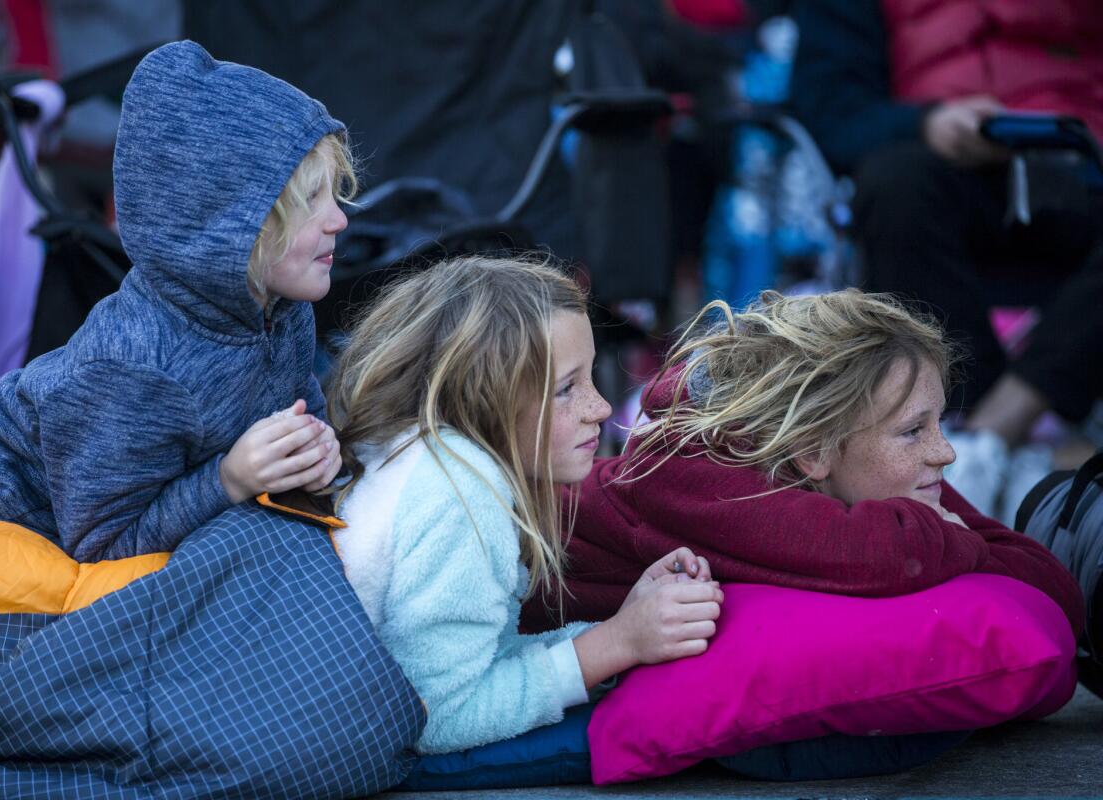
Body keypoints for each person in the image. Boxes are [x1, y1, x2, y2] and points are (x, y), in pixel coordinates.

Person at [0, 41, 347, 560]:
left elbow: (303, 413)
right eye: (309, 202)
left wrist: (317, 450)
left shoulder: (283, 309)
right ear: (224, 224)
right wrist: (227, 479)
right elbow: (102, 546)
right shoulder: (133, 372)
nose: (338, 219)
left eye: (335, 194)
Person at [326, 256, 725, 754]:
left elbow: (485, 660)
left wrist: (627, 626)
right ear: (484, 396)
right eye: (566, 389)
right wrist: (616, 644)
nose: (600, 407)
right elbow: (435, 715)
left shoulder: (428, 459)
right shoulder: (460, 491)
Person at [520, 290, 1084, 641]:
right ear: (812, 451)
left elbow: (1050, 587)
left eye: (939, 424)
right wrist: (953, 539)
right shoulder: (695, 475)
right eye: (914, 430)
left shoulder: (886, 468)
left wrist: (961, 540)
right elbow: (884, 556)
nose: (946, 452)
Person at [789, 0, 1103, 517]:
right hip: (940, 164)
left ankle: (992, 432)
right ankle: (967, 440)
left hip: (1084, 160)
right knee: (895, 187)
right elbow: (830, 108)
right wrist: (927, 123)